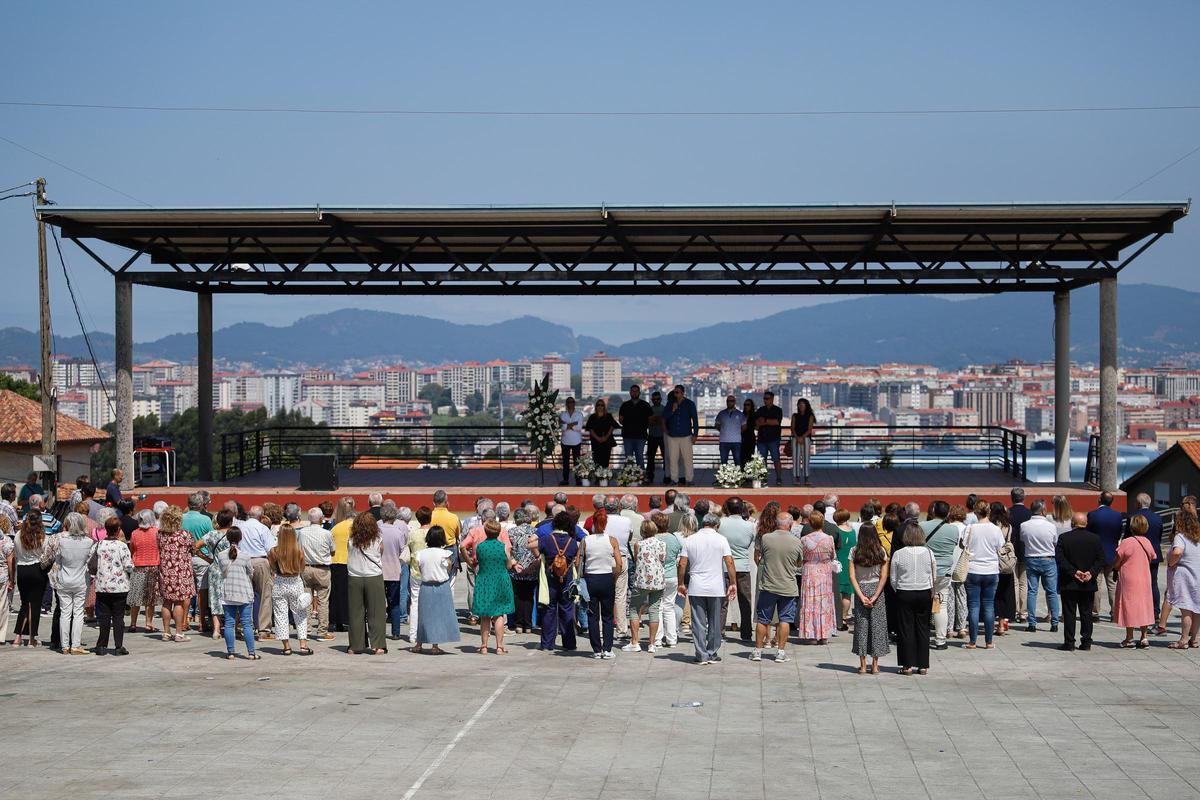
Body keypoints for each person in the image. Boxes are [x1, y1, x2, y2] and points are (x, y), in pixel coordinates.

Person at [678, 512, 736, 664]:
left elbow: (683, 563)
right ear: (717, 525)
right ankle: (712, 651)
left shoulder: (690, 539)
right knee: (715, 621)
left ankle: (701, 654)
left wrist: (681, 583)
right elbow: (729, 562)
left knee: (698, 622)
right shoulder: (721, 539)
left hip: (697, 585)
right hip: (716, 586)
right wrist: (732, 582)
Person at [752, 512, 804, 663]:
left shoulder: (766, 538)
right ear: (790, 524)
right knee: (785, 620)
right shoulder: (796, 542)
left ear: (776, 523)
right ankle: (780, 652)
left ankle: (757, 651)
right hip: (788, 586)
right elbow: (799, 563)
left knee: (763, 619)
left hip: (769, 584)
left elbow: (760, 557)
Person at [889, 522, 935, 675]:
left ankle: (907, 665)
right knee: (923, 628)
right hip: (924, 591)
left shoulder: (899, 553)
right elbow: (933, 573)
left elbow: (893, 578)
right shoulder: (929, 553)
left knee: (905, 629)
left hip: (904, 592)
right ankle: (923, 665)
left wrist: (899, 589)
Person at [531, 511, 581, 652]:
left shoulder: (547, 539)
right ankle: (569, 643)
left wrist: (539, 557)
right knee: (567, 610)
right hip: (567, 579)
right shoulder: (572, 542)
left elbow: (531, 545)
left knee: (548, 610)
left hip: (550, 579)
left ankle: (547, 643)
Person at [1056, 512, 1105, 651]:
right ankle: (1086, 642)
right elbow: (1100, 559)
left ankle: (1069, 642)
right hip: (1088, 582)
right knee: (1086, 613)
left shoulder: (1064, 538)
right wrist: (1091, 572)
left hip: (1070, 582)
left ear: (1072, 523)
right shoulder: (1095, 539)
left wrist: (1074, 572)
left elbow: (1060, 559)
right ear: (1086, 523)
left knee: (1069, 613)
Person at [466, 520, 517, 654]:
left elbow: (476, 561)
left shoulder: (480, 547)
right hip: (500, 581)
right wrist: (512, 563)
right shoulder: (503, 547)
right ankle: (499, 647)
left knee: (485, 616)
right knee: (499, 614)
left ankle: (484, 646)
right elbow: (507, 565)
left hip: (484, 580)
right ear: (499, 532)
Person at [580, 509, 623, 659]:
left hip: (590, 578)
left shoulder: (586, 540)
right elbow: (619, 564)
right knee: (607, 616)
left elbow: (579, 562)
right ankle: (608, 649)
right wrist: (614, 577)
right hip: (606, 578)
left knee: (592, 616)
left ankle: (596, 650)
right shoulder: (612, 540)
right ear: (605, 524)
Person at [849, 523, 890, 674]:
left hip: (861, 588)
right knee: (877, 627)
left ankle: (862, 665)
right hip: (876, 591)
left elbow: (852, 576)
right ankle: (875, 665)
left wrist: (860, 595)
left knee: (861, 627)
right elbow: (884, 576)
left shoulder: (854, 551)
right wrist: (875, 595)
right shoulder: (881, 551)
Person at [964, 501, 1005, 650]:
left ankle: (973, 641)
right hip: (991, 570)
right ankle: (988, 641)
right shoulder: (995, 529)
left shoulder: (970, 528)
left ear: (976, 512)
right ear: (988, 512)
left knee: (973, 606)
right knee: (989, 606)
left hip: (973, 569)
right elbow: (1001, 547)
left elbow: (964, 544)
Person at [346, 512, 387, 655]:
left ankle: (355, 645)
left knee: (355, 613)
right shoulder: (378, 539)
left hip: (355, 576)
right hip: (373, 576)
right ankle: (378, 645)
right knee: (376, 612)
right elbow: (380, 552)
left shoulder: (351, 539)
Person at [1112, 514, 1156, 649]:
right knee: (1145, 605)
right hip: (1144, 577)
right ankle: (1144, 637)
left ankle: (1129, 638)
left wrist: (1115, 567)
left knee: (1128, 605)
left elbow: (1117, 560)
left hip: (1129, 578)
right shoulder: (1147, 542)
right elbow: (1153, 556)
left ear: (1132, 527)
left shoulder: (1127, 542)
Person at [54, 512, 95, 654]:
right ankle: (75, 645)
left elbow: (58, 561)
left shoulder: (62, 541)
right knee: (78, 613)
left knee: (65, 613)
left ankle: (65, 646)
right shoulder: (89, 542)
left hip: (64, 579)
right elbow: (90, 561)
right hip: (80, 580)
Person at [415, 525, 459, 654]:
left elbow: (419, 568)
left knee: (423, 616)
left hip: (426, 586)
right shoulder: (445, 554)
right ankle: (435, 645)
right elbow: (448, 569)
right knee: (439, 616)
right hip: (442, 586)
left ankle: (419, 644)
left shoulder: (420, 554)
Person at [92, 515, 132, 655]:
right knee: (118, 617)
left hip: (102, 586)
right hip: (119, 586)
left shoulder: (98, 545)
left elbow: (91, 563)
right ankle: (118, 646)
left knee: (104, 616)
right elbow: (128, 566)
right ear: (118, 530)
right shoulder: (122, 546)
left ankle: (101, 645)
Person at [717, 496, 756, 641]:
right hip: (742, 566)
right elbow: (750, 542)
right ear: (742, 508)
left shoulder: (720, 524)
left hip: (724, 566)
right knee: (745, 601)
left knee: (722, 601)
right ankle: (746, 633)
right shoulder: (750, 526)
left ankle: (719, 632)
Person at [268, 524, 310, 655]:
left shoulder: (274, 551)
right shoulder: (299, 551)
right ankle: (303, 646)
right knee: (300, 614)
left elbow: (273, 568)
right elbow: (302, 568)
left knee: (281, 616)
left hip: (280, 582)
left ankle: (286, 647)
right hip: (295, 582)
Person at [217, 528, 259, 660]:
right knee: (246, 623)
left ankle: (230, 652)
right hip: (244, 592)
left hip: (228, 592)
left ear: (227, 538)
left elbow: (221, 570)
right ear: (240, 538)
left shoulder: (221, 555)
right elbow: (250, 573)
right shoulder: (245, 556)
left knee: (229, 623)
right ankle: (251, 653)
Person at [1020, 500, 1061, 633]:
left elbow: (1022, 539)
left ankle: (1032, 623)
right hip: (1048, 558)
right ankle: (1054, 622)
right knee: (1052, 592)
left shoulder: (1024, 525)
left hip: (1031, 558)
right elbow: (1055, 541)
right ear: (1043, 510)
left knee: (1032, 591)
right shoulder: (1051, 526)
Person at [626, 520, 666, 653]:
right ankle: (652, 644)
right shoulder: (662, 544)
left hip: (642, 580)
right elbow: (662, 560)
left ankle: (635, 642)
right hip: (658, 580)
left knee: (634, 608)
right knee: (654, 610)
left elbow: (637, 560)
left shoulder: (639, 544)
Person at [156, 506, 195, 642]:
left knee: (166, 602)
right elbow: (193, 549)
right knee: (178, 602)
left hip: (165, 572)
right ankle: (179, 633)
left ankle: (166, 632)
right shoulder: (185, 535)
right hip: (181, 573)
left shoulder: (160, 534)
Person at [296, 507, 335, 641]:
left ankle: (305, 630)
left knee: (306, 600)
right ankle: (322, 632)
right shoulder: (326, 533)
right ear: (320, 519)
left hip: (306, 568)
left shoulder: (302, 533)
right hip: (322, 569)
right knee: (323, 601)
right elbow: (333, 550)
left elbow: (298, 550)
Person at [1165, 500, 1200, 650]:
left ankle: (1183, 640)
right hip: (1197, 574)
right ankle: (1194, 639)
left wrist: (1171, 562)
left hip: (1186, 576)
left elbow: (1177, 552)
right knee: (1197, 609)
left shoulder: (1180, 537)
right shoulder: (1198, 537)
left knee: (1186, 609)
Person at [238, 505, 277, 638]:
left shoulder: (240, 527)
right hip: (260, 561)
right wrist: (273, 568)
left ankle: (243, 627)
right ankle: (264, 630)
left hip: (243, 561)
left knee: (243, 596)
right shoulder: (262, 528)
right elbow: (271, 550)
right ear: (261, 516)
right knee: (265, 596)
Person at [799, 511, 837, 644]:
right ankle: (824, 634)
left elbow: (801, 556)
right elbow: (833, 556)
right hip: (824, 572)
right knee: (823, 603)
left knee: (810, 602)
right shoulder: (829, 538)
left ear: (810, 522)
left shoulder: (804, 539)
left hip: (809, 571)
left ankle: (811, 634)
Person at [197, 509, 234, 642]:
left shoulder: (212, 534)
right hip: (231, 568)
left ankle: (216, 629)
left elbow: (196, 546)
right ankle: (233, 626)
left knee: (215, 598)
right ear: (231, 521)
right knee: (232, 597)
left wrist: (207, 558)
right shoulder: (233, 533)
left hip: (215, 569)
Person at [1127, 493, 1164, 625]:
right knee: (1153, 584)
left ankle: (1137, 613)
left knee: (1135, 585)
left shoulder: (1133, 517)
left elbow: (1127, 538)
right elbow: (1159, 538)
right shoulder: (1158, 518)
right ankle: (1155, 613)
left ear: (1138, 504)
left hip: (1136, 557)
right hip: (1153, 555)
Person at [1087, 491, 1123, 621]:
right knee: (1112, 584)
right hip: (1112, 553)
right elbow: (1119, 534)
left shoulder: (1092, 515)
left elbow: (1088, 534)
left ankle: (1095, 613)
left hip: (1095, 554)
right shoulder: (1118, 515)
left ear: (1099, 499)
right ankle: (1114, 613)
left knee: (1096, 584)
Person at [378, 501, 410, 641]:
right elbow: (403, 550)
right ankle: (396, 632)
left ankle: (379, 631)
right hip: (394, 571)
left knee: (378, 603)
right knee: (395, 603)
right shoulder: (398, 532)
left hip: (378, 570)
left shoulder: (377, 529)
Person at [653, 511, 684, 648]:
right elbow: (678, 552)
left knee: (657, 608)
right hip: (672, 575)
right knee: (669, 607)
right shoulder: (673, 538)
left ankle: (658, 639)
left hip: (657, 575)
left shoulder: (652, 539)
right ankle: (671, 638)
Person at [126, 510, 160, 633]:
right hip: (153, 566)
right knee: (150, 597)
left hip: (138, 566)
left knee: (136, 597)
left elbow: (132, 549)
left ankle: (133, 623)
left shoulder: (134, 533)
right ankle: (148, 623)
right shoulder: (157, 533)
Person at [507, 507, 539, 633]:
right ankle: (528, 625)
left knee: (517, 596)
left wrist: (514, 564)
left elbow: (508, 551)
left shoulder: (511, 532)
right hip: (532, 568)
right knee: (529, 596)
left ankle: (519, 624)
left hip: (517, 569)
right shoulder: (536, 531)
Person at [328, 497, 355, 633]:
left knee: (335, 593)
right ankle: (346, 619)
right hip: (349, 561)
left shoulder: (335, 527)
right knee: (347, 594)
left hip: (334, 560)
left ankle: (333, 620)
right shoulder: (354, 526)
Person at [663, 384, 699, 487]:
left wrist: (695, 434)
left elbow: (695, 420)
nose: (675, 394)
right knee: (673, 459)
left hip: (686, 436)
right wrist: (672, 410)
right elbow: (665, 417)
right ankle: (674, 480)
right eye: (674, 392)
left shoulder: (690, 404)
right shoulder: (670, 404)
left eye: (677, 392)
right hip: (672, 436)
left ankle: (689, 479)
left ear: (682, 393)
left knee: (688, 459)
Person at [990, 502, 1017, 635]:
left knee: (992, 594)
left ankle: (991, 622)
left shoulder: (990, 525)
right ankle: (1001, 624)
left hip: (993, 561)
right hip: (1005, 562)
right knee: (1005, 593)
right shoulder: (1008, 526)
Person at [1008, 487, 1032, 624]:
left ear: (1012, 497)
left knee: (1014, 583)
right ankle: (1023, 613)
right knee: (1024, 583)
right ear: (1023, 497)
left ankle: (1014, 611)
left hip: (1011, 552)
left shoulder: (1009, 513)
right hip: (1024, 551)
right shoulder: (1029, 513)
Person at [946, 504, 969, 639]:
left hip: (949, 565)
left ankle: (949, 628)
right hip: (962, 567)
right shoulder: (966, 528)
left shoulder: (948, 528)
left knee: (949, 598)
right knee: (962, 597)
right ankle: (961, 627)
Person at [618, 385, 652, 472]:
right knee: (628, 458)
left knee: (639, 457)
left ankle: (641, 477)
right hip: (627, 436)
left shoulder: (646, 405)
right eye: (633, 391)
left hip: (641, 436)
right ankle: (628, 477)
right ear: (630, 393)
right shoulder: (624, 405)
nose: (634, 392)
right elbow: (620, 420)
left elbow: (650, 420)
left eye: (636, 391)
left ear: (639, 393)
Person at [834, 509, 858, 634]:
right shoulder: (853, 531)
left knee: (836, 593)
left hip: (838, 564)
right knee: (847, 594)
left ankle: (836, 618)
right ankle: (843, 618)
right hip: (849, 564)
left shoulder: (836, 531)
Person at [754, 391, 785, 486]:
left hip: (774, 439)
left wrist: (764, 421)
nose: (765, 400)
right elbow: (756, 423)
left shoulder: (778, 410)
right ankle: (763, 478)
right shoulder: (760, 410)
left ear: (772, 399)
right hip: (762, 439)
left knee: (776, 459)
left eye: (767, 398)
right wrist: (767, 422)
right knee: (762, 460)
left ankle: (779, 478)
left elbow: (776, 422)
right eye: (764, 398)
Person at [791, 397, 816, 487]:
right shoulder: (794, 416)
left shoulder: (810, 416)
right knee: (796, 459)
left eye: (803, 404)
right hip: (795, 439)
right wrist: (797, 437)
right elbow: (792, 428)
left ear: (806, 406)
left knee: (806, 459)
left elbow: (809, 429)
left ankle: (806, 478)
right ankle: (797, 478)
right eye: (799, 404)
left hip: (806, 439)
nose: (801, 406)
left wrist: (802, 437)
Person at [559, 396, 585, 485]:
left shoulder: (579, 414)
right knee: (565, 462)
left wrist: (567, 425)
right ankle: (565, 479)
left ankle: (578, 479)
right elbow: (562, 427)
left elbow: (579, 427)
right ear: (566, 404)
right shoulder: (562, 414)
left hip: (576, 441)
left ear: (574, 403)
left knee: (577, 462)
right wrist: (573, 424)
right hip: (565, 441)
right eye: (568, 402)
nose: (570, 404)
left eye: (572, 402)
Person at [714, 395, 745, 466]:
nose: (729, 402)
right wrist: (724, 431)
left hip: (736, 441)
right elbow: (717, 425)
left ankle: (738, 476)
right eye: (728, 401)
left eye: (731, 401)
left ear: (734, 402)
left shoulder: (740, 414)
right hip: (724, 441)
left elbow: (744, 427)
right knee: (723, 462)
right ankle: (724, 477)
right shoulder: (721, 414)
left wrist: (736, 432)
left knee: (737, 462)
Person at [646, 390, 667, 484]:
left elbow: (664, 421)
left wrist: (655, 420)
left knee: (665, 457)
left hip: (662, 436)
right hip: (652, 436)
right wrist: (659, 420)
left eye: (658, 399)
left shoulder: (664, 409)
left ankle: (667, 476)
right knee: (650, 458)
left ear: (661, 399)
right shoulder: (650, 409)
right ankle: (650, 476)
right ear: (652, 400)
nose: (656, 400)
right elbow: (649, 421)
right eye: (654, 399)